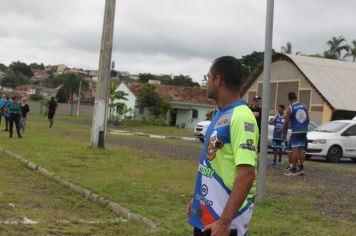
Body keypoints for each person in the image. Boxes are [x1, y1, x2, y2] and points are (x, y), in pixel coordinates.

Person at [186, 56, 258, 236]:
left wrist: (225, 220)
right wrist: (198, 200)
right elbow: (214, 164)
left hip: (224, 222)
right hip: (207, 214)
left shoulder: (241, 117)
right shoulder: (221, 113)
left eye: (208, 77)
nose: (206, 82)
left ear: (218, 80)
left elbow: (247, 174)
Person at [282, 92, 309, 176]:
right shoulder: (304, 106)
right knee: (302, 150)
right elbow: (308, 119)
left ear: (289, 99)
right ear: (296, 97)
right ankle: (301, 168)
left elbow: (286, 122)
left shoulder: (290, 108)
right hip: (304, 130)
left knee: (295, 150)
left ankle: (294, 168)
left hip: (296, 131)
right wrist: (304, 127)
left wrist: (283, 132)